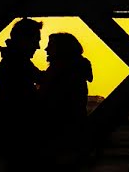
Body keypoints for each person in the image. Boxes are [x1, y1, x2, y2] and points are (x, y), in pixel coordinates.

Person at [0, 18, 44, 171]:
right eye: (36, 40)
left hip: (12, 139)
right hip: (21, 139)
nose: (38, 46)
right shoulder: (18, 64)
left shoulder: (14, 62)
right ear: (24, 40)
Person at [39, 32, 94, 170]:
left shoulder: (61, 73)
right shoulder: (74, 71)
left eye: (50, 46)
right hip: (70, 136)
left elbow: (51, 104)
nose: (46, 49)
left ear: (61, 49)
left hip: (58, 137)